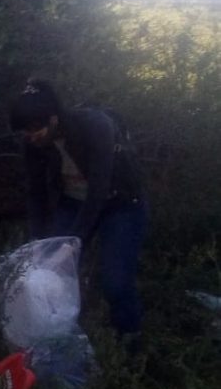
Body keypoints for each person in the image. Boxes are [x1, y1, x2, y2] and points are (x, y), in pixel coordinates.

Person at [10, 79, 146, 342]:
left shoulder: (95, 127)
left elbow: (99, 190)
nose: (31, 136)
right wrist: (39, 242)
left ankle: (130, 340)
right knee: (50, 271)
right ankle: (57, 337)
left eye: (36, 128)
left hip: (120, 204)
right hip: (73, 202)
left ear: (53, 118)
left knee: (116, 282)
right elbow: (35, 193)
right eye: (24, 132)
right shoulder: (32, 144)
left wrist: (72, 244)